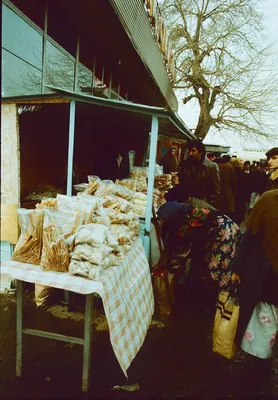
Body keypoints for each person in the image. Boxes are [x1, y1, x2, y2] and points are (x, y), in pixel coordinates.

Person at [231, 190, 278, 393]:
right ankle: (260, 370)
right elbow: (249, 236)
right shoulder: (268, 199)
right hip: (266, 277)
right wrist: (237, 267)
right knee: (263, 326)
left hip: (266, 277)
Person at [157, 201, 241, 314]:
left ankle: (217, 305)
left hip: (224, 233)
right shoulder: (182, 213)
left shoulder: (188, 220)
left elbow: (184, 248)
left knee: (216, 268)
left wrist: (170, 262)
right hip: (214, 232)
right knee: (205, 265)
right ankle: (204, 300)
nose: (163, 222)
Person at [168, 140, 220, 209]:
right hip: (187, 201)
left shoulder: (211, 166)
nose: (190, 153)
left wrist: (208, 206)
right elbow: (182, 180)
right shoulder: (186, 164)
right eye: (189, 151)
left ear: (200, 152)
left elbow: (215, 190)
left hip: (202, 204)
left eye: (193, 151)